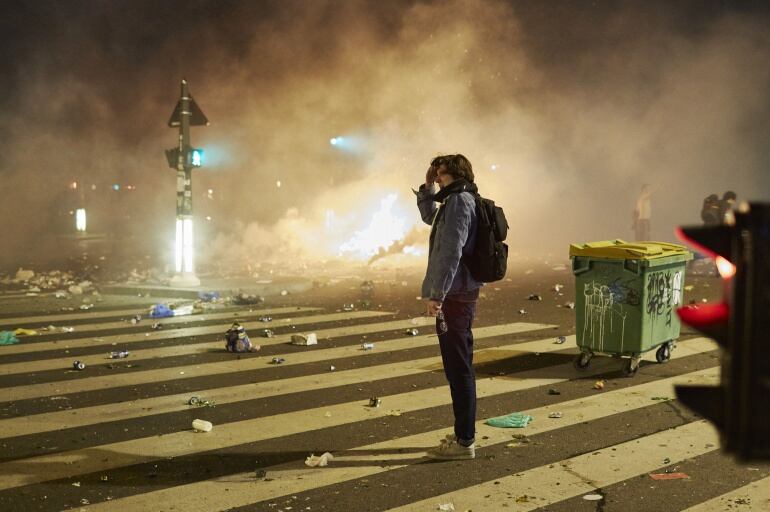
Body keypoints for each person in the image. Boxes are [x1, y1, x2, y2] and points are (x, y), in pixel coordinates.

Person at [413, 153, 481, 460]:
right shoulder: (458, 199)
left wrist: (437, 295)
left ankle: (465, 441)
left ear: (454, 173)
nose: (437, 177)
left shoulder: (459, 202)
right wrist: (427, 188)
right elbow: (431, 218)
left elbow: (451, 252)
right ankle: (462, 435)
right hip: (459, 293)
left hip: (455, 296)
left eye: (439, 173)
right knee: (457, 366)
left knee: (459, 368)